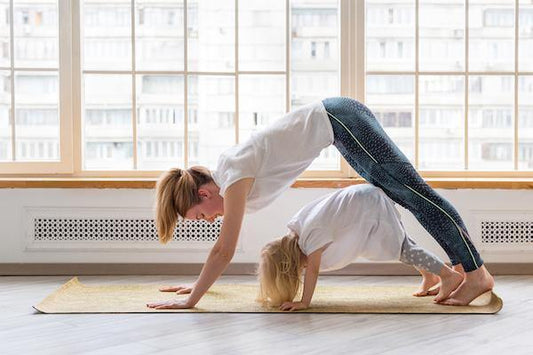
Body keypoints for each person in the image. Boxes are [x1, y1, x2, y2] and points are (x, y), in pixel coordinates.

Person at [146, 97, 493, 310]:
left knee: (415, 195)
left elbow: (224, 249)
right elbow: (221, 249)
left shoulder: (233, 178)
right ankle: (459, 270)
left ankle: (475, 273)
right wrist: (199, 283)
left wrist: (192, 299)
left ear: (203, 194)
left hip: (341, 119)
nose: (208, 220)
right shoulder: (231, 174)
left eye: (199, 216)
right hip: (340, 126)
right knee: (408, 195)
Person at [257, 184, 463, 311]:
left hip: (368, 205)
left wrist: (304, 302)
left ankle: (447, 275)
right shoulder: (298, 229)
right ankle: (429, 276)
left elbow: (313, 269)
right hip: (364, 200)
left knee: (401, 248)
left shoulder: (310, 239)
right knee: (402, 242)